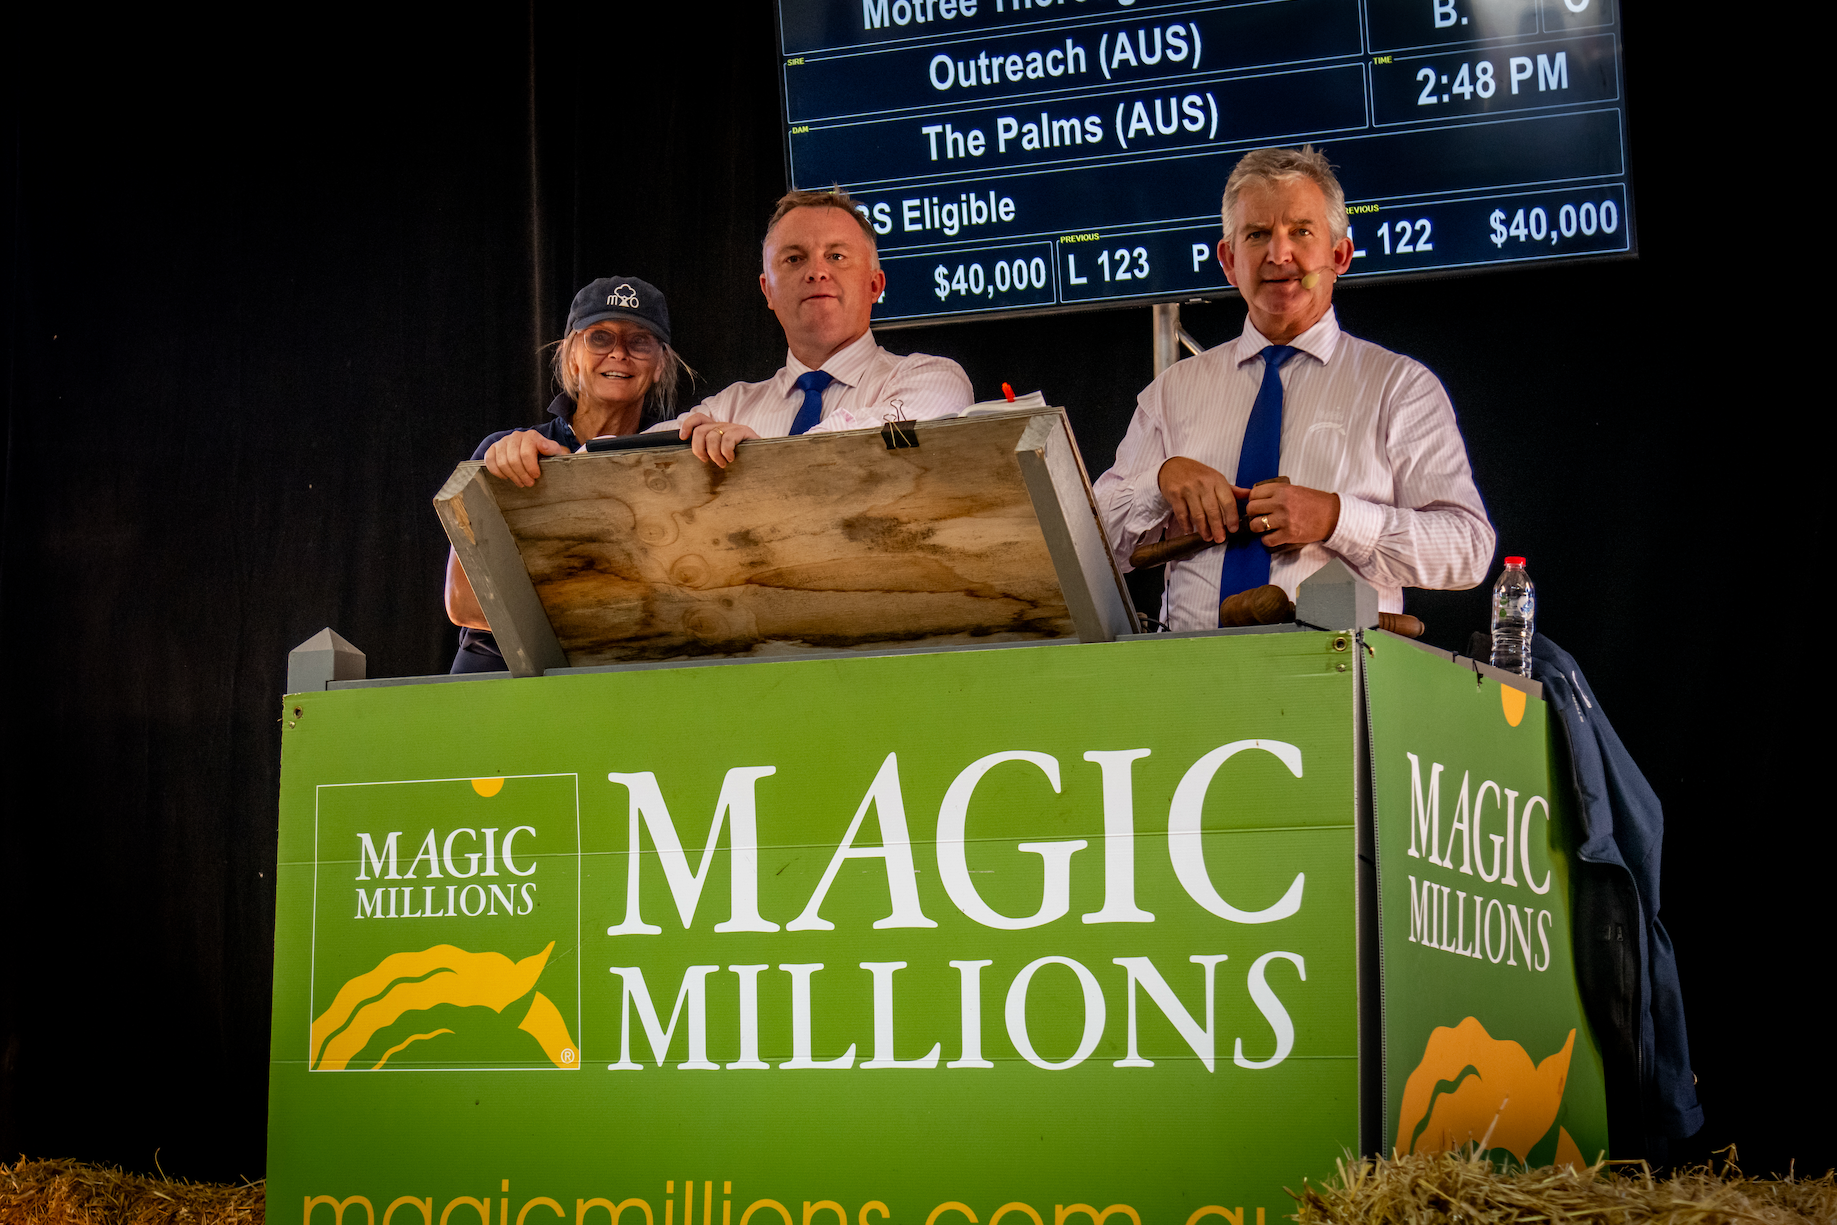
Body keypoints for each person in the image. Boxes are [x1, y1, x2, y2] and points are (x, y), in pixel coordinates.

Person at [1093, 147, 1495, 631]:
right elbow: (1089, 552)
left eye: (1301, 231)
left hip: (1333, 669)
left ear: (1339, 255)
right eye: (1257, 234)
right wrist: (1159, 482)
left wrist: (1336, 519)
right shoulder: (1171, 392)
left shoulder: (1400, 387)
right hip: (1186, 671)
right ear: (1228, 261)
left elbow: (1468, 549)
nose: (1278, 254)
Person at [444, 276, 687, 673]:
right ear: (573, 354)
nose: (619, 353)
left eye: (639, 341)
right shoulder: (506, 452)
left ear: (660, 363)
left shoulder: (677, 461)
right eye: (600, 338)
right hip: (496, 672)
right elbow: (464, 601)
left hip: (617, 677)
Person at [658, 188, 973, 466]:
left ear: (874, 286)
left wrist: (761, 459)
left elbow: (880, 443)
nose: (817, 272)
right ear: (768, 291)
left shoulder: (933, 380)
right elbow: (631, 458)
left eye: (836, 256)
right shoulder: (729, 408)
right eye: (795, 259)